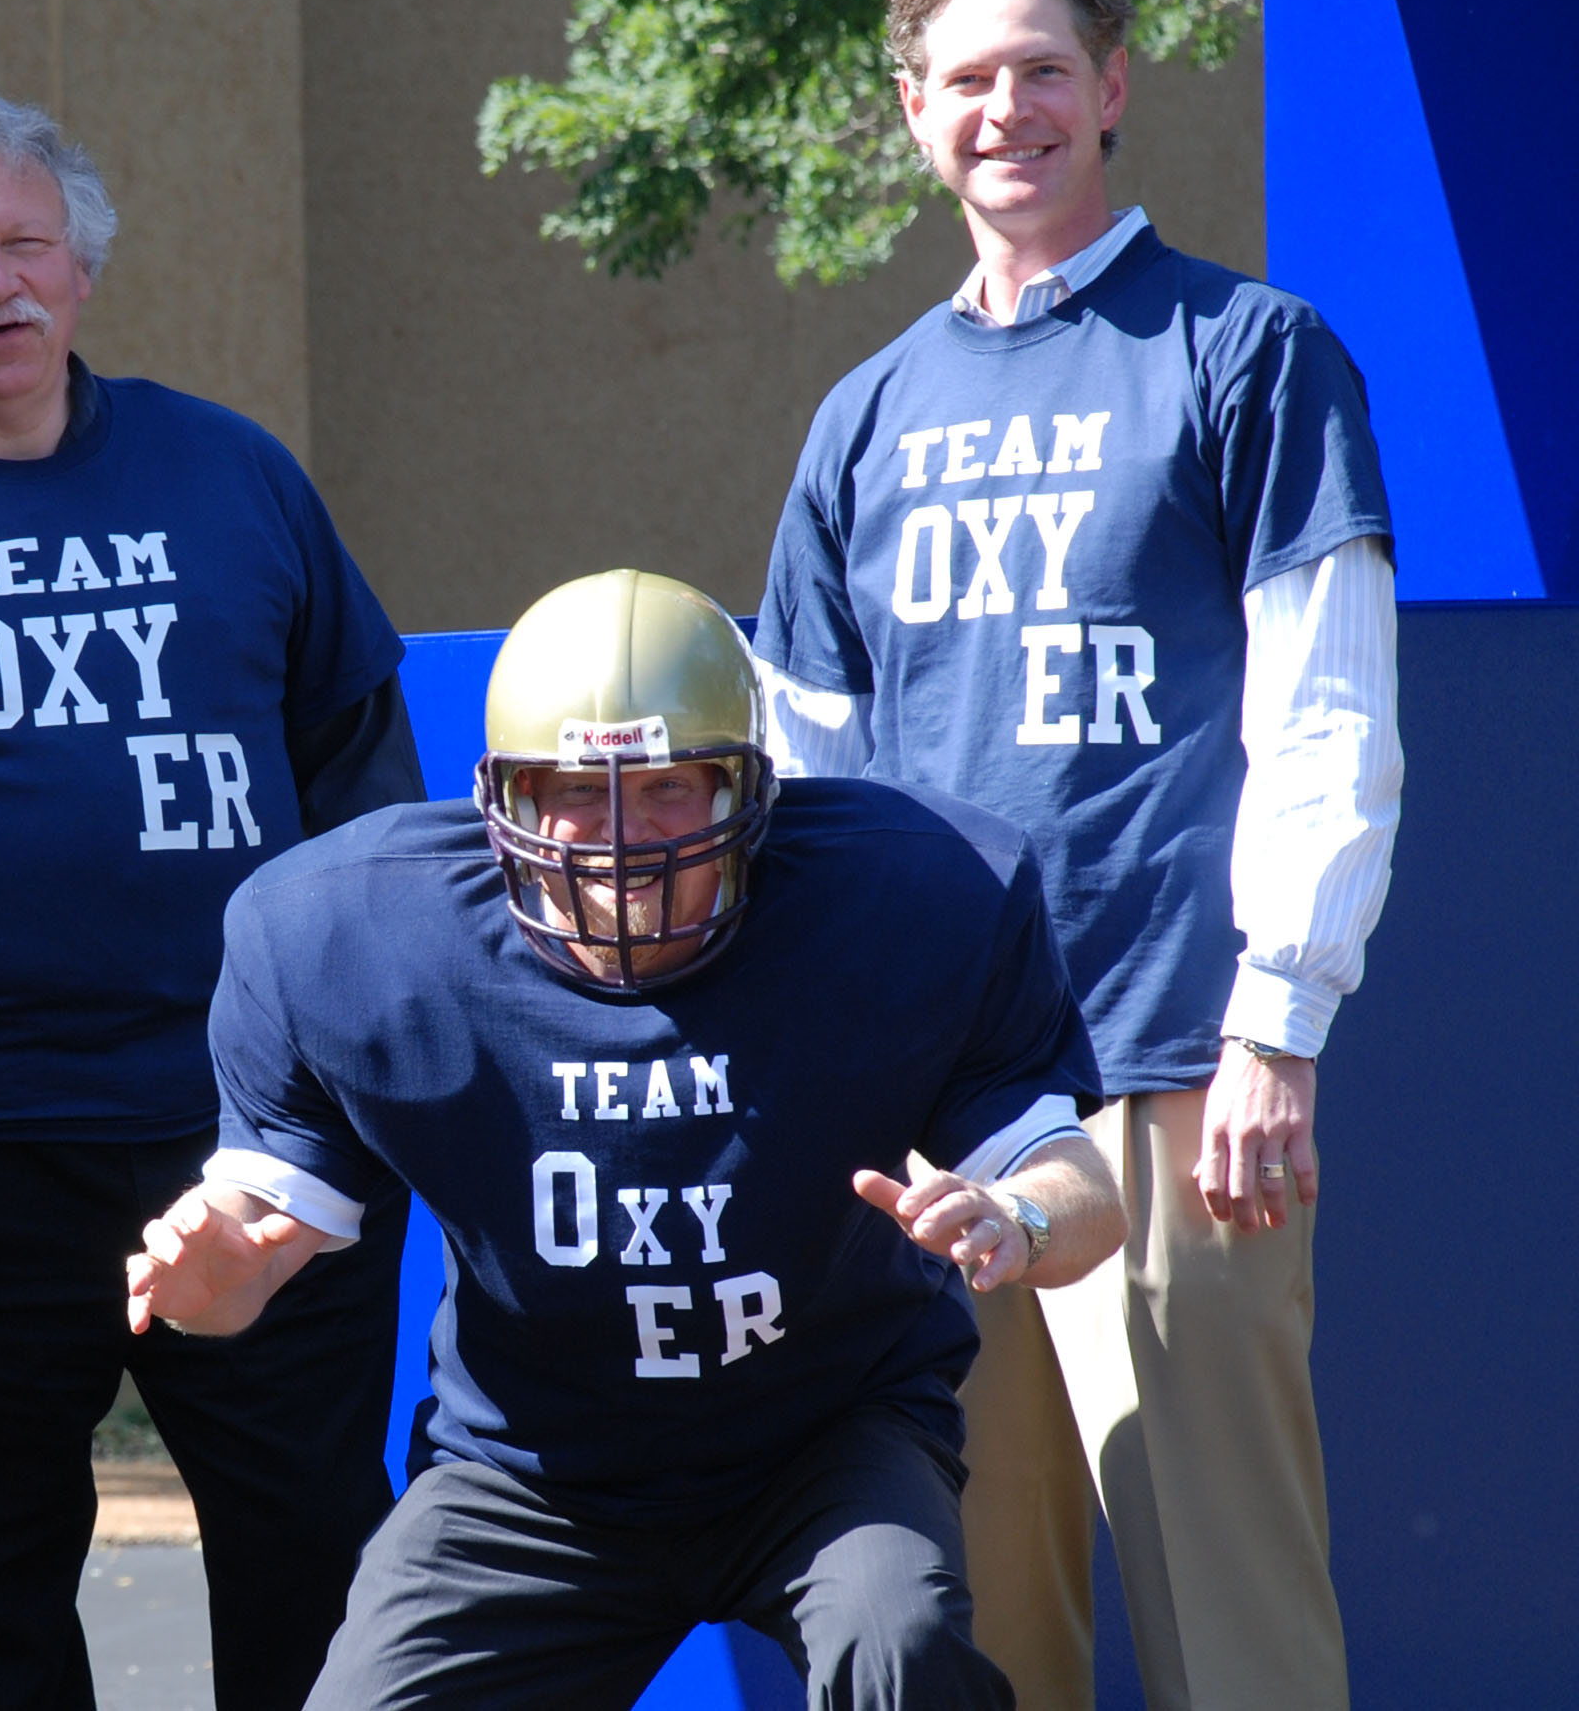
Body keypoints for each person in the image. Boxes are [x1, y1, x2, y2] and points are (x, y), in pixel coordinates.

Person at [751, 0, 1402, 1711]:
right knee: (972, 1621)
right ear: (910, 112)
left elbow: (1328, 707)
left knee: (1232, 1620)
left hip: (1175, 1077)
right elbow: (809, 788)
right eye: (968, 79)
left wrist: (1278, 1023)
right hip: (945, 1110)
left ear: (1114, 86)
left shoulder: (1250, 352)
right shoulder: (861, 418)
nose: (1007, 110)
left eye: (1045, 69)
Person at [127, 568, 1127, 1711]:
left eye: (663, 788)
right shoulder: (346, 930)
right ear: (497, 797)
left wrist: (1020, 1215)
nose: (612, 839)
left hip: (824, 1440)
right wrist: (208, 1281)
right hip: (532, 1472)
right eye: (566, 789)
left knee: (896, 1643)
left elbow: (1080, 1187)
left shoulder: (918, 892)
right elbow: (245, 1256)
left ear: (747, 790)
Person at [0, 91, 425, 1710]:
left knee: (329, 1577)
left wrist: (365, 1101)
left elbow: (369, 803)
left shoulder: (236, 475)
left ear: (84, 266)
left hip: (255, 1147)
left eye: (26, 243)